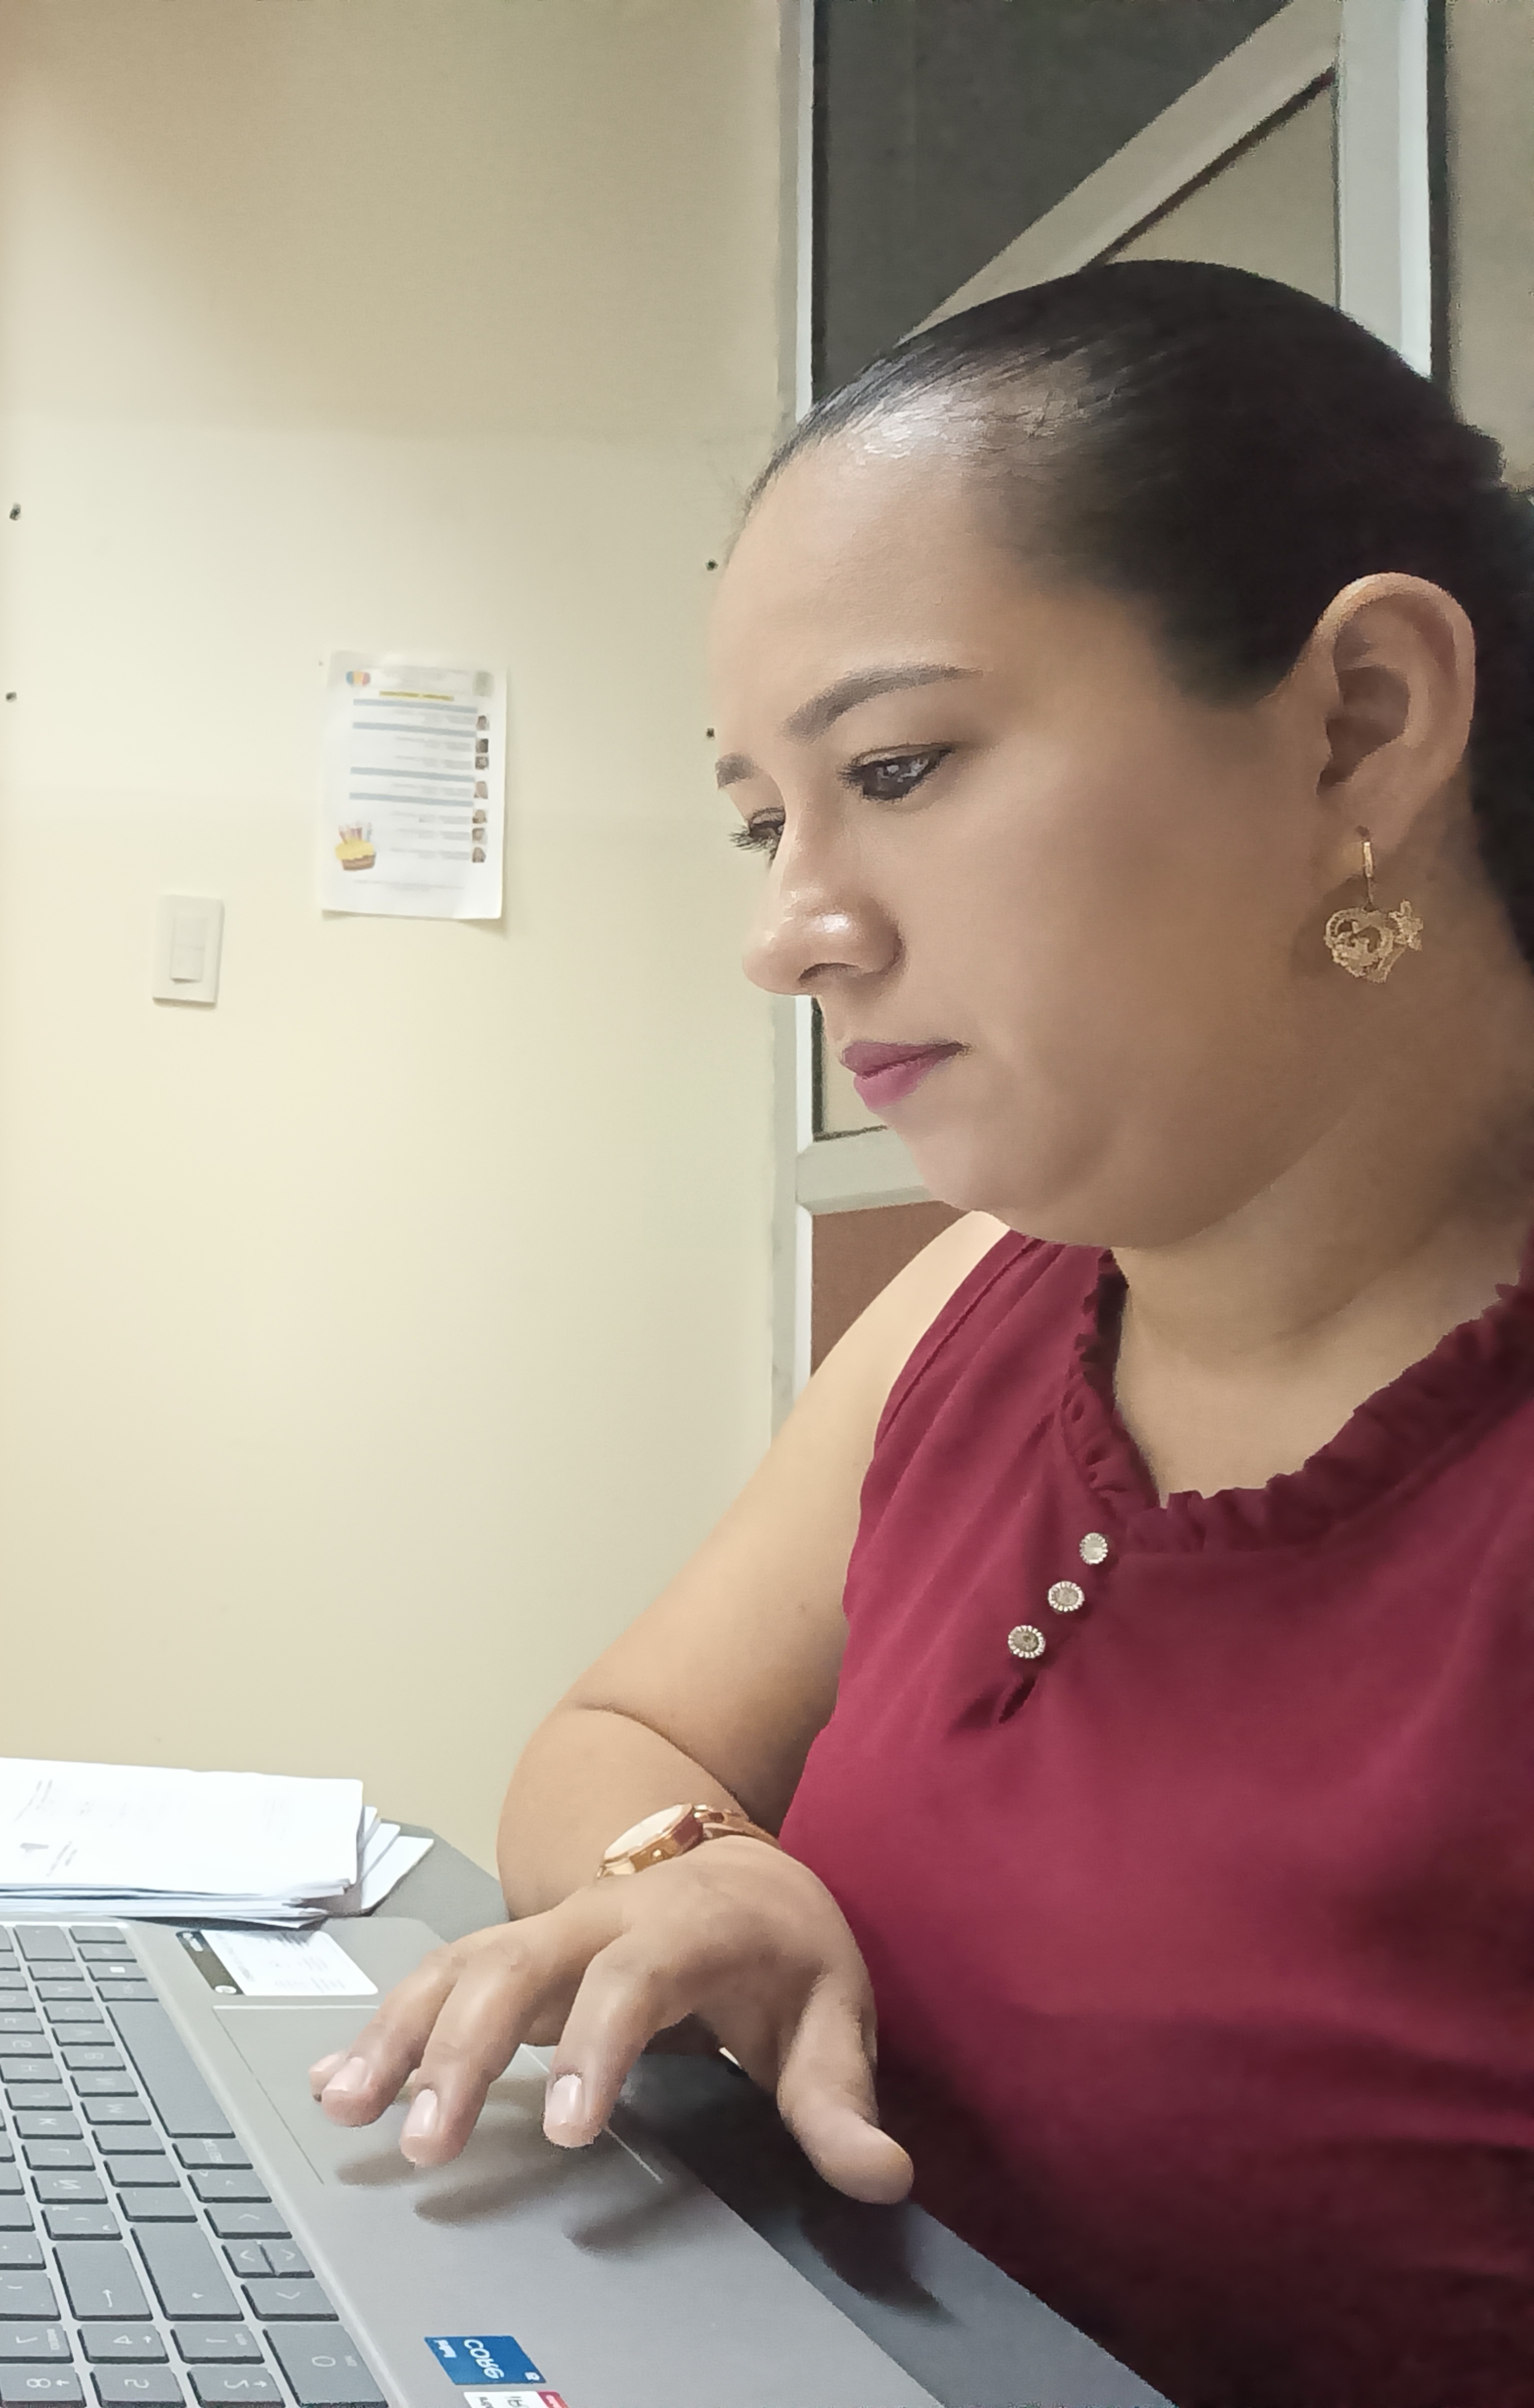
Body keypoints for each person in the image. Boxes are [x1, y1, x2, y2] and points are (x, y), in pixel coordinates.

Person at [310, 261, 1534, 2408]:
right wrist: (704, 1876)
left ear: (1358, 723)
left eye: (895, 765)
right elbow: (623, 1733)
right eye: (761, 818)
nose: (790, 928)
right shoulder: (994, 1287)